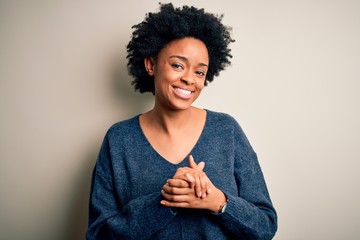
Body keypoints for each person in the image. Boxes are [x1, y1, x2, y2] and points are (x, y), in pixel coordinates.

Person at [86, 3, 277, 240]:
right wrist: (166, 200)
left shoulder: (226, 130)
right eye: (178, 65)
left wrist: (218, 202)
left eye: (199, 72)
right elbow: (98, 235)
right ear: (151, 65)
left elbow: (266, 226)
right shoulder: (119, 139)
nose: (188, 79)